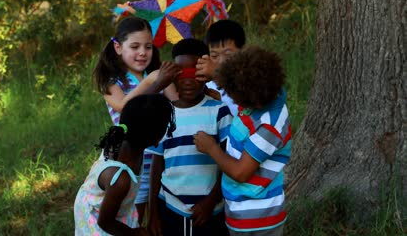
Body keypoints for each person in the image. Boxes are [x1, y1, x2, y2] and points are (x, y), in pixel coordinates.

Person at [194, 45, 291, 236]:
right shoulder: (268, 89)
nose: (234, 101)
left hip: (256, 218)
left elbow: (240, 173)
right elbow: (246, 78)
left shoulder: (269, 126)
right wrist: (218, 74)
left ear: (255, 103)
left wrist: (212, 148)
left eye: (236, 98)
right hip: (241, 208)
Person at [93, 16, 181, 223]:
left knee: (157, 214)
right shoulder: (112, 81)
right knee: (132, 215)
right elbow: (124, 108)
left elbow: (176, 103)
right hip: (129, 159)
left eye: (148, 46)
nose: (142, 52)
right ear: (117, 47)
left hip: (161, 157)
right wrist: (153, 82)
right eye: (135, 46)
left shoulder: (156, 74)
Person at [147, 38, 233, 236]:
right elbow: (157, 164)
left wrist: (212, 200)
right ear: (172, 76)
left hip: (211, 210)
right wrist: (153, 213)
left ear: (206, 73)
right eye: (181, 73)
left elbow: (229, 161)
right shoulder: (163, 114)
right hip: (169, 207)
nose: (187, 80)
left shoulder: (219, 111)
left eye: (194, 72)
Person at [74, 94, 177, 236]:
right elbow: (105, 222)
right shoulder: (120, 179)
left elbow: (141, 110)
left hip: (105, 209)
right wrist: (136, 233)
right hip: (100, 224)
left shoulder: (124, 138)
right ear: (156, 139)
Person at [195, 19, 246, 116]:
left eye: (228, 55)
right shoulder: (207, 87)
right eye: (214, 56)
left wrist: (217, 75)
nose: (221, 61)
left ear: (243, 51)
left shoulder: (253, 79)